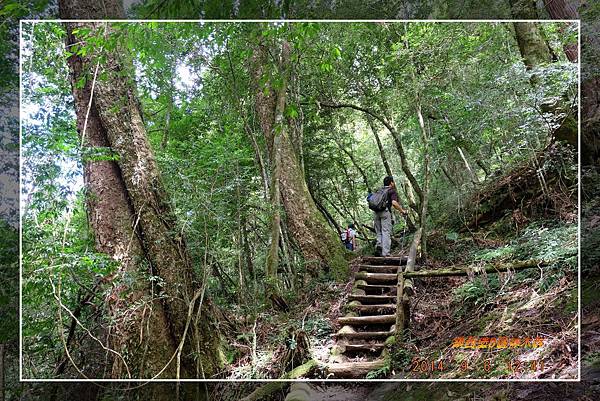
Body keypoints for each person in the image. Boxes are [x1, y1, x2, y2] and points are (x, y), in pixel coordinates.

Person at [373, 176, 408, 257]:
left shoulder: (379, 190)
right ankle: (385, 253)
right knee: (386, 232)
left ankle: (379, 246)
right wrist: (402, 211)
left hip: (376, 213)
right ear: (391, 183)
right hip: (385, 212)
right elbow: (394, 203)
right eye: (393, 182)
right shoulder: (391, 191)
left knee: (379, 232)